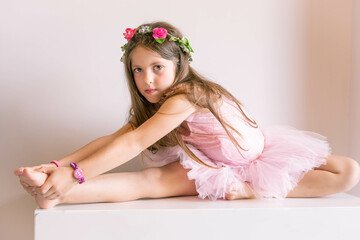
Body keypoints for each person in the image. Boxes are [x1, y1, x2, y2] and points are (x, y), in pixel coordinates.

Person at [14, 21, 360, 209]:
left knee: (347, 172)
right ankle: (51, 192)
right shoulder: (159, 103)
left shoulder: (189, 94)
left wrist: (77, 174)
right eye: (136, 70)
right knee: (146, 184)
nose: (145, 79)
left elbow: (134, 143)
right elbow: (118, 139)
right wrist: (60, 167)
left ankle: (250, 191)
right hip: (210, 166)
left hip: (260, 160)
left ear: (179, 64)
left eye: (156, 67)